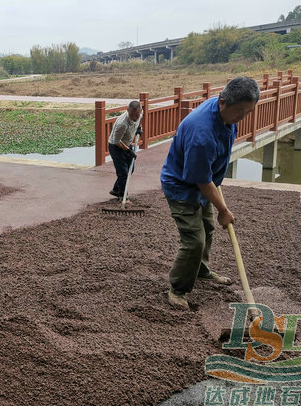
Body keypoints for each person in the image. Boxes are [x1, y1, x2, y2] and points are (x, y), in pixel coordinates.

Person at [160, 77, 260, 310]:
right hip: (182, 187)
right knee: (194, 241)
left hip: (205, 182)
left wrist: (215, 183)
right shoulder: (201, 133)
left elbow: (207, 177)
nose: (242, 118)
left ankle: (201, 270)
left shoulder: (226, 113)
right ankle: (178, 289)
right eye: (240, 113)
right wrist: (223, 210)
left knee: (208, 228)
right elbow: (199, 179)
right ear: (223, 103)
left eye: (247, 113)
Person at [108, 100, 143, 198]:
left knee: (130, 170)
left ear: (140, 111)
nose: (135, 118)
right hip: (116, 146)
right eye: (132, 115)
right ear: (128, 111)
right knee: (123, 173)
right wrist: (128, 150)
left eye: (137, 115)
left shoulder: (139, 114)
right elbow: (116, 141)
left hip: (127, 144)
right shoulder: (122, 123)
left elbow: (140, 118)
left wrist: (139, 127)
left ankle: (116, 189)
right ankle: (123, 196)